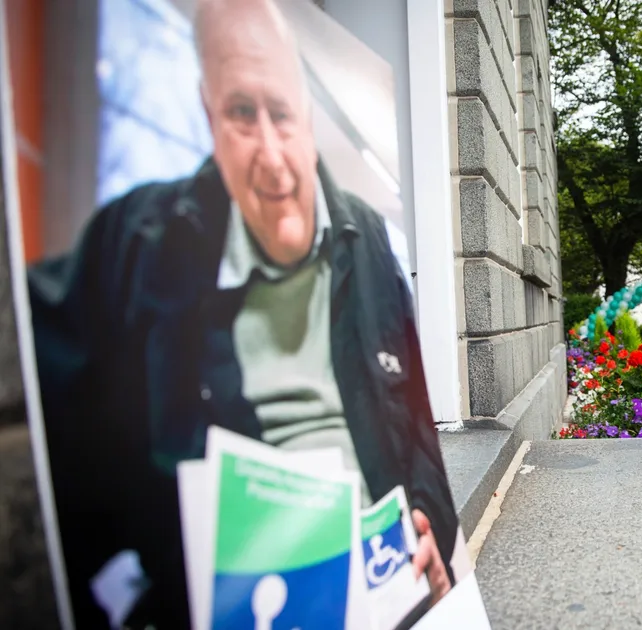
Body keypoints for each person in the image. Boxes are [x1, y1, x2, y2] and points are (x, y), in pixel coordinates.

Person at [27, 0, 457, 626]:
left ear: (307, 116)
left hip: (386, 592)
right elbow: (46, 455)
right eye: (240, 115)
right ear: (209, 115)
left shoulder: (367, 246)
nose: (273, 157)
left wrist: (432, 532)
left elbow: (420, 435)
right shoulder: (139, 244)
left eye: (282, 116)